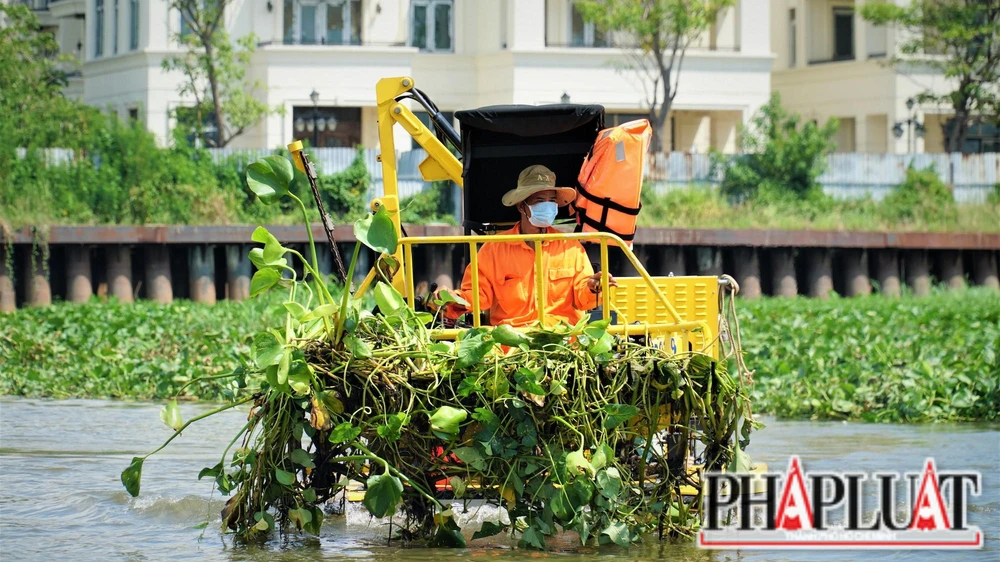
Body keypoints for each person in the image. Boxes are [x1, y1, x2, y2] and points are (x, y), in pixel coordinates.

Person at [436, 164, 616, 327]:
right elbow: (476, 295)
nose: (548, 206)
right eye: (539, 200)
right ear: (522, 206)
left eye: (551, 200)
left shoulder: (570, 246)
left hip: (563, 340)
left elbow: (583, 298)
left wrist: (594, 287)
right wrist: (451, 299)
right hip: (511, 344)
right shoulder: (495, 248)